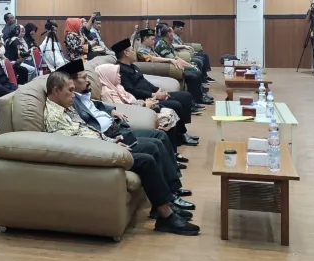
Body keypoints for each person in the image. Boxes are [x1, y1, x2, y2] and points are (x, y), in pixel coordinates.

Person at [42, 71, 199, 236]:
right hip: (98, 155)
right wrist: (111, 147)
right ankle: (166, 216)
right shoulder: (55, 117)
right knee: (146, 160)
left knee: (152, 148)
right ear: (56, 91)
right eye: (70, 90)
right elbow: (75, 147)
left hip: (105, 144)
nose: (74, 95)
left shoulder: (65, 106)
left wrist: (112, 141)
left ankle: (165, 207)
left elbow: (87, 131)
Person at [60, 60, 192, 199]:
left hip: (118, 127)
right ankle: (171, 195)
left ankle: (175, 186)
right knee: (154, 145)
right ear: (72, 82)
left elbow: (95, 104)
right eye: (84, 78)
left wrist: (111, 110)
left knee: (160, 135)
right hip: (110, 135)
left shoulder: (84, 95)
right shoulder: (71, 101)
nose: (89, 81)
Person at [113, 38, 199, 149]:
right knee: (175, 104)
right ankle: (181, 135)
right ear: (126, 53)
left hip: (154, 94)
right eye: (132, 50)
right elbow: (131, 91)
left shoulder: (133, 66)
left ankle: (181, 130)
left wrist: (159, 90)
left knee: (185, 96)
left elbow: (145, 82)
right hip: (145, 99)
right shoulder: (120, 70)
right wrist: (154, 95)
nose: (134, 52)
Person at [95, 63, 181, 135]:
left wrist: (146, 102)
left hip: (138, 107)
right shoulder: (108, 93)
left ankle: (177, 141)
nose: (120, 75)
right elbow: (123, 109)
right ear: (109, 75)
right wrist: (145, 105)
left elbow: (132, 101)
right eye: (117, 73)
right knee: (166, 116)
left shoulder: (118, 87)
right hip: (133, 115)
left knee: (168, 111)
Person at [140, 28, 213, 106]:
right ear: (145, 38)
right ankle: (196, 100)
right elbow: (152, 59)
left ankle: (198, 97)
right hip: (158, 71)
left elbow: (170, 54)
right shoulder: (141, 50)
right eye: (152, 39)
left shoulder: (150, 48)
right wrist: (170, 60)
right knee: (193, 76)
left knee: (196, 73)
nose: (154, 41)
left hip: (165, 67)